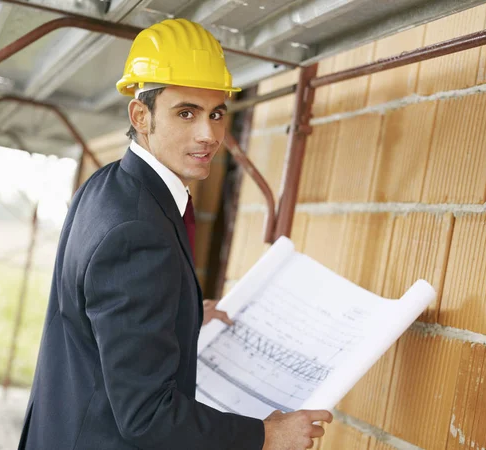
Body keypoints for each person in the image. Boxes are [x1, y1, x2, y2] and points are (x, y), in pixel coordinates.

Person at [18, 18, 332, 450]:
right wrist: (265, 435)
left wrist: (180, 312)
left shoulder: (109, 184)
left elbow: (98, 311)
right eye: (186, 113)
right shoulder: (137, 230)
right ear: (140, 114)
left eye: (217, 114)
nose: (209, 135)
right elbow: (147, 415)